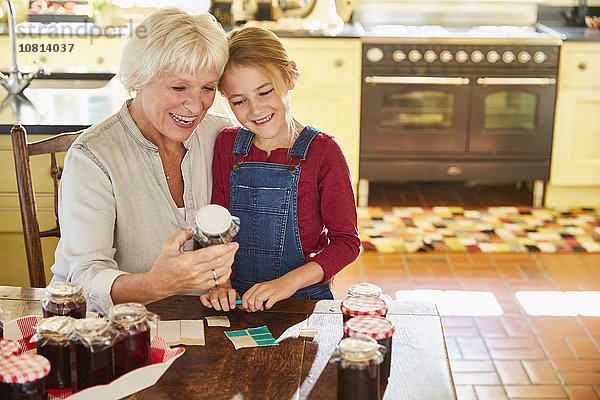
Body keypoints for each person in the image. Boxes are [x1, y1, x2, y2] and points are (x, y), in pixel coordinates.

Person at [50, 7, 239, 314]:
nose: (195, 105)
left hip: (202, 318)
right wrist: (157, 283)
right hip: (113, 328)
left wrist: (220, 278)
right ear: (138, 79)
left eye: (208, 88)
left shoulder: (220, 133)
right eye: (178, 87)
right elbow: (82, 280)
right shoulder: (92, 156)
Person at [200, 27, 361, 312]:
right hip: (237, 302)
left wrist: (288, 282)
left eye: (265, 91)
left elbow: (347, 243)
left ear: (289, 76)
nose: (256, 109)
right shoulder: (227, 145)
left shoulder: (324, 152)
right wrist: (220, 282)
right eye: (239, 101)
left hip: (303, 302)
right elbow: (218, 230)